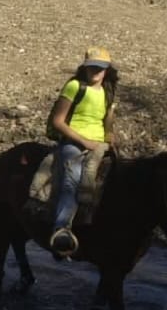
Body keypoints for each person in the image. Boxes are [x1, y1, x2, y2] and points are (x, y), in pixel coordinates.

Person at [46, 46, 119, 257]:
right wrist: (84, 141)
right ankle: (61, 229)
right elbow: (58, 121)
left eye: (100, 68)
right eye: (92, 67)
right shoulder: (74, 87)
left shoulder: (108, 91)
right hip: (73, 140)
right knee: (73, 179)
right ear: (85, 68)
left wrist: (109, 137)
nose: (95, 71)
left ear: (107, 69)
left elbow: (106, 123)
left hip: (99, 143)